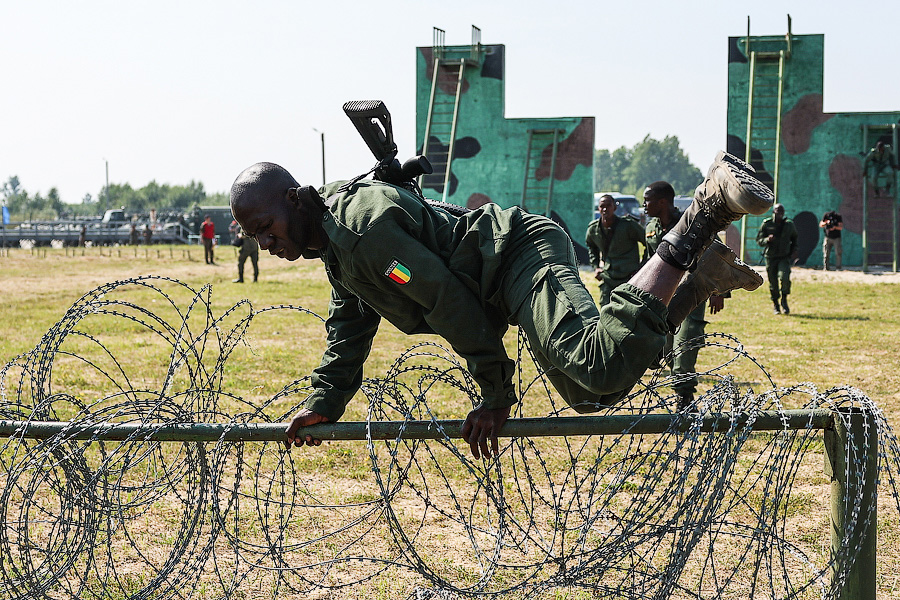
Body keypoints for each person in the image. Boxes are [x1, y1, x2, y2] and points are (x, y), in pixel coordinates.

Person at [230, 152, 772, 458]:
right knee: (588, 394)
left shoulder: (364, 235)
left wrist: (494, 392)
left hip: (516, 251)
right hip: (497, 280)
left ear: (295, 199)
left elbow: (444, 302)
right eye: (256, 237)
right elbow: (350, 321)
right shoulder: (334, 242)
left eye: (266, 228)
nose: (267, 244)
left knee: (596, 361)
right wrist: (327, 398)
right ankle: (696, 279)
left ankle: (703, 213)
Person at [643, 181, 731, 410]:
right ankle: (681, 392)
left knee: (685, 347)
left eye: (648, 200)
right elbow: (648, 261)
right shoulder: (650, 228)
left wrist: (718, 290)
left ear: (663, 202)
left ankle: (684, 401)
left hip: (690, 293)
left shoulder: (691, 224)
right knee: (668, 351)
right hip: (662, 297)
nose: (644, 204)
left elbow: (718, 254)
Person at [585, 194, 646, 306]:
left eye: (608, 206)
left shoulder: (628, 226)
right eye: (602, 206)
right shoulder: (594, 229)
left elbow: (648, 242)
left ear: (615, 208)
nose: (605, 209)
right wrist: (596, 267)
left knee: (630, 312)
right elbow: (591, 245)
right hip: (608, 277)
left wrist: (642, 267)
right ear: (598, 208)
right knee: (605, 311)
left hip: (629, 277)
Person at [756, 203, 798, 315]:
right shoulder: (767, 224)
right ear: (773, 212)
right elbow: (759, 240)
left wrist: (794, 251)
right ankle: (776, 304)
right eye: (777, 211)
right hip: (771, 257)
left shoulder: (789, 225)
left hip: (784, 257)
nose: (779, 214)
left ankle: (784, 300)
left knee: (784, 277)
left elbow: (795, 239)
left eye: (781, 212)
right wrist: (767, 240)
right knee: (773, 282)